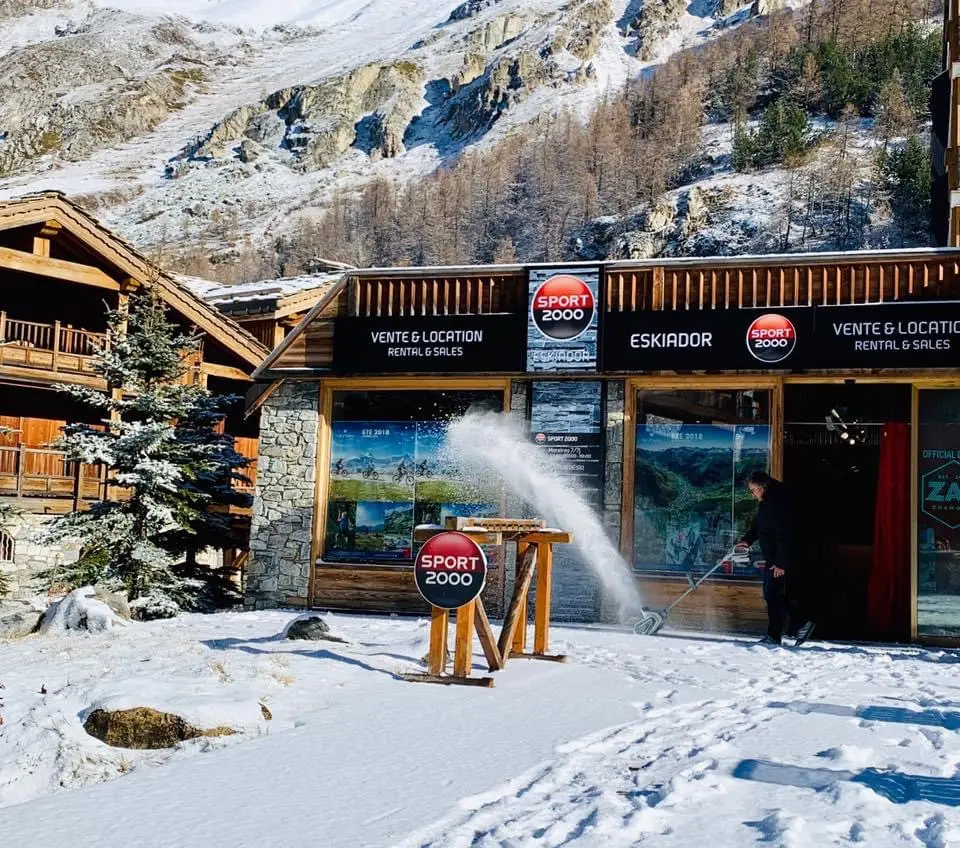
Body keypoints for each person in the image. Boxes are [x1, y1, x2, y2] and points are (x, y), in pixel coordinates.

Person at [735, 470, 815, 646]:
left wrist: (781, 563)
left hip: (779, 560)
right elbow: (760, 525)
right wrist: (746, 541)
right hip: (774, 558)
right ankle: (793, 626)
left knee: (773, 595)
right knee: (774, 596)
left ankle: (790, 628)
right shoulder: (768, 502)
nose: (752, 494)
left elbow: (787, 534)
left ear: (762, 487)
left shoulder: (778, 504)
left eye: (753, 490)